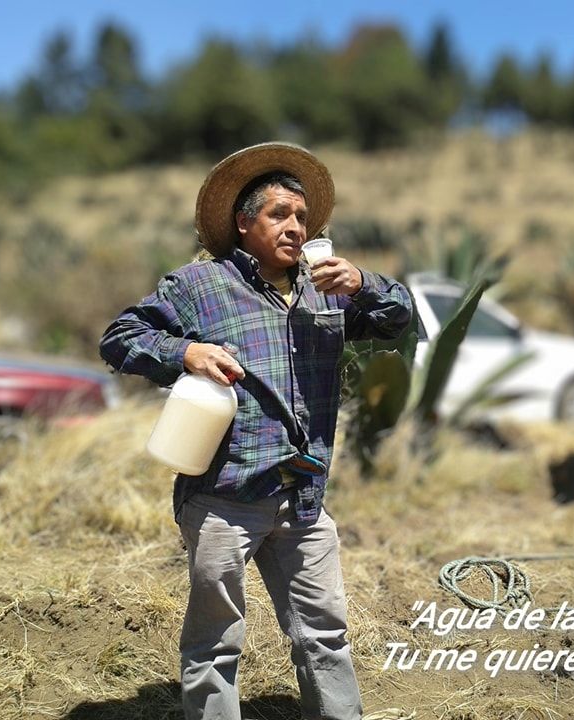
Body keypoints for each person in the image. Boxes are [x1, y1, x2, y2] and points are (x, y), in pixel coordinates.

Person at [99, 142, 412, 720]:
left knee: (325, 636)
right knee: (215, 644)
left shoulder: (330, 290)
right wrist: (185, 350)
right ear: (244, 224)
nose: (295, 228)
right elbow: (119, 337)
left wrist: (365, 283)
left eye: (302, 218)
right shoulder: (201, 286)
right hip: (225, 497)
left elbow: (403, 319)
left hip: (305, 498)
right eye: (279, 215)